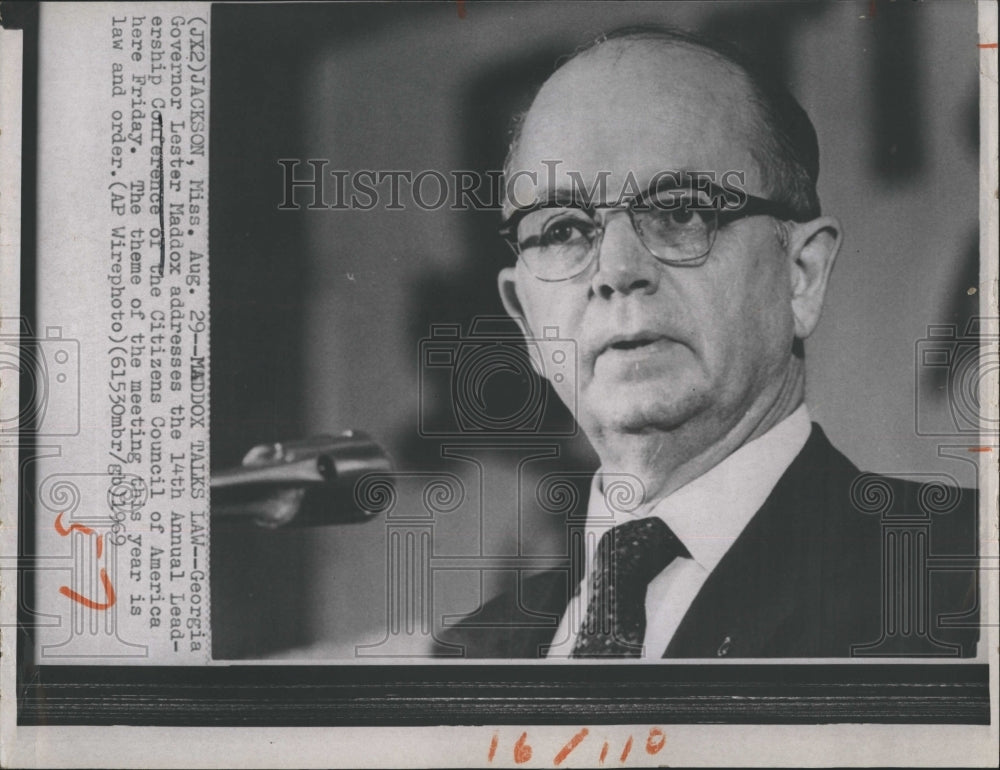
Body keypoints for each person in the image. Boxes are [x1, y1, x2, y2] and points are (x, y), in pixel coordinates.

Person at [440, 26, 979, 658]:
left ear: (800, 275)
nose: (615, 271)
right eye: (562, 228)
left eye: (681, 211)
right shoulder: (468, 655)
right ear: (527, 322)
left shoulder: (967, 575)